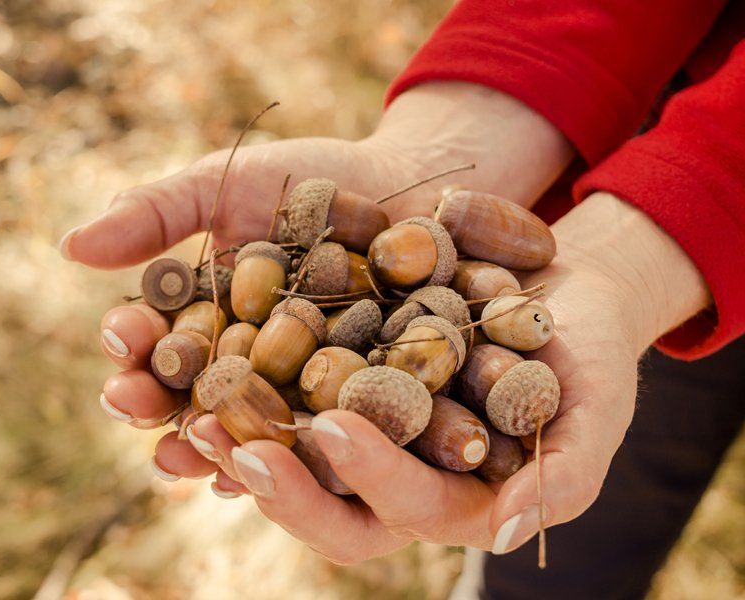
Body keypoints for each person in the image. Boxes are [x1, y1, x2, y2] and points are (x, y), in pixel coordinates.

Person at [59, 1, 745, 597]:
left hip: (683, 230)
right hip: (647, 201)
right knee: (579, 533)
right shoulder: (354, 297)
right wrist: (456, 132)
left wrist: (675, 226)